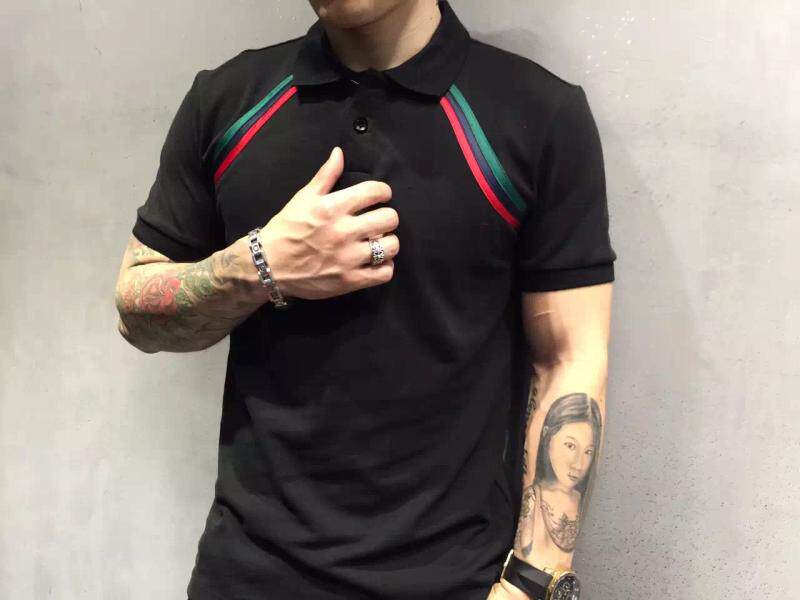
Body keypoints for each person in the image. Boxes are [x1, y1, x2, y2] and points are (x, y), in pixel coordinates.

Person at [113, 1, 615, 599]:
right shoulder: (227, 100)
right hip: (246, 576)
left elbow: (569, 357)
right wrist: (259, 267)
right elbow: (136, 310)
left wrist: (531, 584)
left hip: (455, 580)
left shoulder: (538, 114)